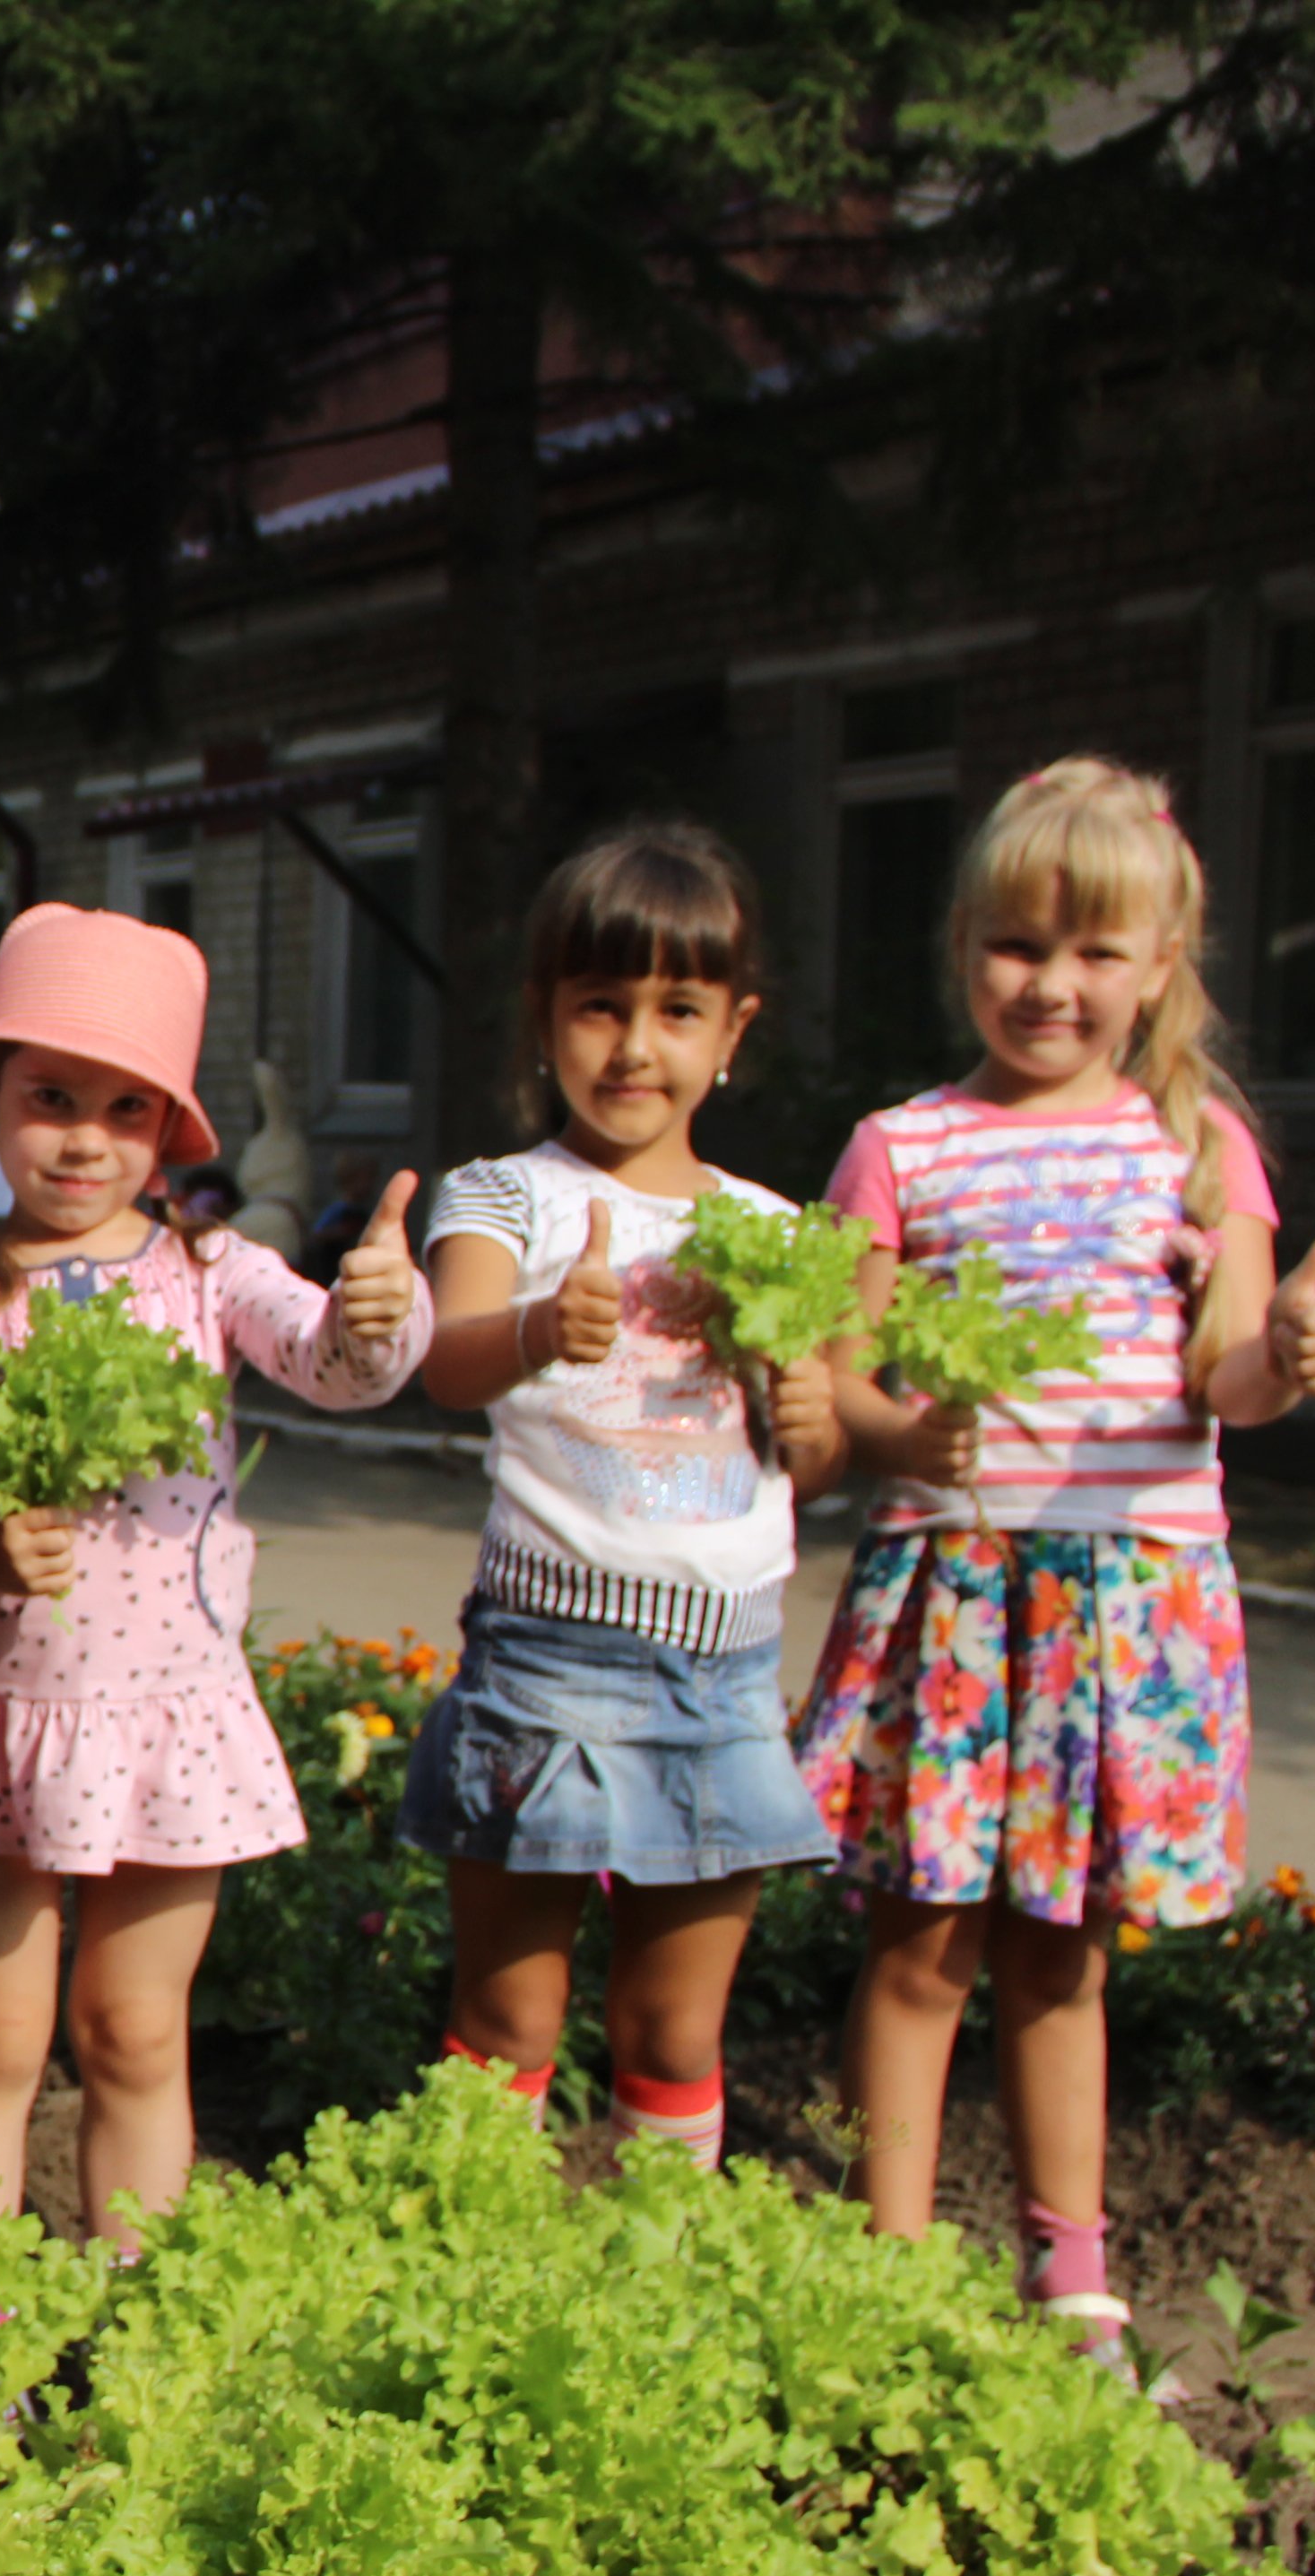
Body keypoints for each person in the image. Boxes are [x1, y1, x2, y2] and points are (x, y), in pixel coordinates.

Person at [797, 755, 1315, 2369]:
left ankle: (1073, 2271)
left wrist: (1301, 1350)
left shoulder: (1201, 1149)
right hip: (958, 1588)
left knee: (1063, 1956)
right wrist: (908, 1441)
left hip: (1130, 1595)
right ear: (966, 943)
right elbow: (840, 1379)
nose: (1050, 986)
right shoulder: (902, 1146)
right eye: (1016, 946)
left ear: (1160, 966)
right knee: (919, 1947)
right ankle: (879, 2272)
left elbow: (1229, 1375)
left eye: (1094, 951)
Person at [0, 905, 430, 2246]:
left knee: (137, 2036)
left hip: (171, 1714)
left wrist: (381, 1310)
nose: (85, 1139)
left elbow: (333, 1361)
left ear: (168, 1126)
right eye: (49, 1098)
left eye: (125, 1106)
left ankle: (129, 2330)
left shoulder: (216, 1276)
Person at [399, 823, 847, 2167]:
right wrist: (545, 1324)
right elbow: (448, 1358)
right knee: (506, 2013)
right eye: (601, 1006)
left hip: (721, 1674)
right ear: (547, 1019)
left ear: (733, 1033)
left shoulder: (772, 1230)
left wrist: (815, 1416)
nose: (634, 1047)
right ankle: (473, 2271)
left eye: (677, 1011)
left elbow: (805, 1455)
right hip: (549, 1666)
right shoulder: (505, 1198)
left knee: (673, 2033)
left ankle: (661, 2305)